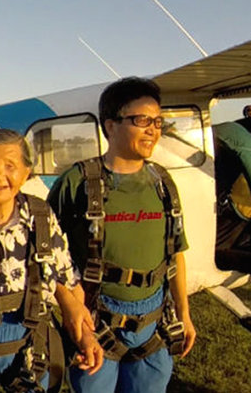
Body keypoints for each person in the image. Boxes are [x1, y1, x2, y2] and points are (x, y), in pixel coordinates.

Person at [47, 77, 197, 393]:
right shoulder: (76, 183)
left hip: (154, 324)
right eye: (142, 120)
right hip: (96, 323)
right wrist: (72, 312)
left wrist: (183, 312)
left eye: (158, 121)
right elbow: (48, 257)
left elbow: (176, 253)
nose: (153, 130)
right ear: (111, 126)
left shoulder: (163, 184)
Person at [0, 129, 103, 393]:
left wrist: (84, 337)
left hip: (30, 343)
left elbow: (67, 279)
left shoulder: (41, 218)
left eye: (10, 166)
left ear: (26, 172)